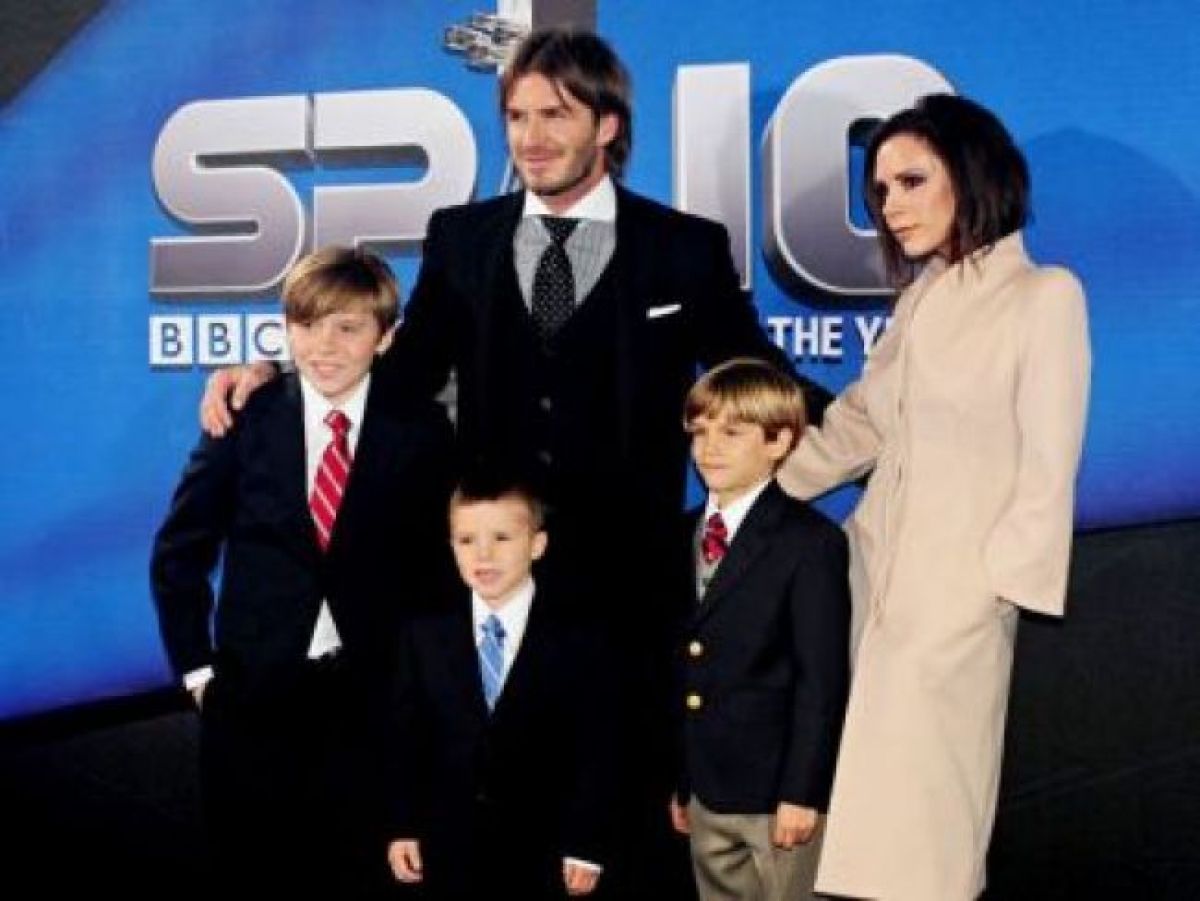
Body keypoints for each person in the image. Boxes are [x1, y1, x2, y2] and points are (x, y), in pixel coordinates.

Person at [200, 27, 817, 896]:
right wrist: (277, 376)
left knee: (613, 822)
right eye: (517, 116)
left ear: (607, 124)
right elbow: (398, 377)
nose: (531, 136)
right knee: (483, 811)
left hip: (627, 587)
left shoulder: (682, 246)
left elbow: (756, 374)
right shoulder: (462, 237)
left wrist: (882, 426)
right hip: (487, 572)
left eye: (555, 115)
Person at [776, 93, 1092, 900]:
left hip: (955, 606)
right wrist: (755, 496)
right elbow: (859, 424)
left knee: (929, 847)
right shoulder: (918, 300)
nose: (891, 205)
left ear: (972, 173)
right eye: (881, 190)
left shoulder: (1044, 294)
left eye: (912, 180)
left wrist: (990, 593)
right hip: (869, 585)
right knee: (863, 846)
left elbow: (1049, 462)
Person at [150, 247, 455, 894]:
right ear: (286, 329)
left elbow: (436, 574)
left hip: (373, 703)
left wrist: (424, 687)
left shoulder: (422, 430)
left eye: (348, 327)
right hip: (252, 700)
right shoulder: (245, 417)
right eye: (307, 325)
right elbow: (179, 552)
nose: (325, 346)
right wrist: (200, 674)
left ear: (386, 337)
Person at [378, 472, 617, 900]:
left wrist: (586, 843)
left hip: (545, 849)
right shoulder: (424, 634)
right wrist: (403, 825)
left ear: (537, 545)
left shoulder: (579, 638)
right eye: (466, 540)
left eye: (502, 538)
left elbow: (597, 747)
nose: (483, 554)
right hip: (447, 846)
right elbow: (405, 738)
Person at [668, 358, 850, 901]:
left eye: (731, 432)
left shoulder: (810, 542)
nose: (709, 448)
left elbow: (821, 680)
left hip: (776, 799)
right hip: (705, 792)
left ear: (779, 441)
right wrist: (683, 780)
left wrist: (803, 792)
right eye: (700, 431)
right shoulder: (680, 535)